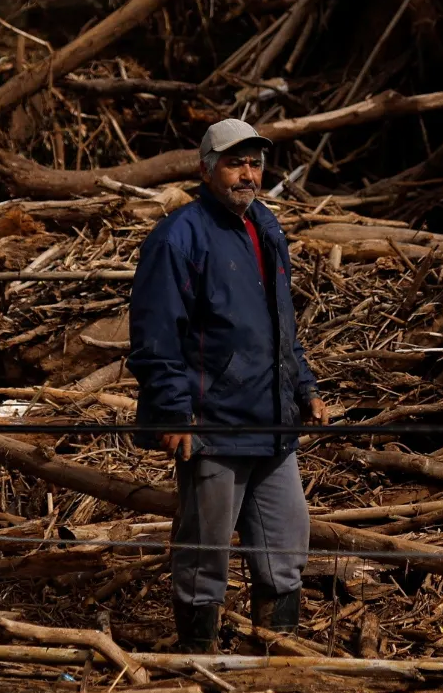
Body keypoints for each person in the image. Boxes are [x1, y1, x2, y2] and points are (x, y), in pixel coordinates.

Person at [127, 118, 330, 652]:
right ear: (206, 168)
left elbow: (281, 326)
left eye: (255, 163)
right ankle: (200, 667)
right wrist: (173, 412)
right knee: (204, 554)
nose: (247, 174)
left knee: (285, 551)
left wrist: (304, 388)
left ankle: (275, 665)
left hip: (273, 423)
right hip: (211, 425)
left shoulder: (266, 228)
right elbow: (156, 337)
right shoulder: (179, 237)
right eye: (235, 162)